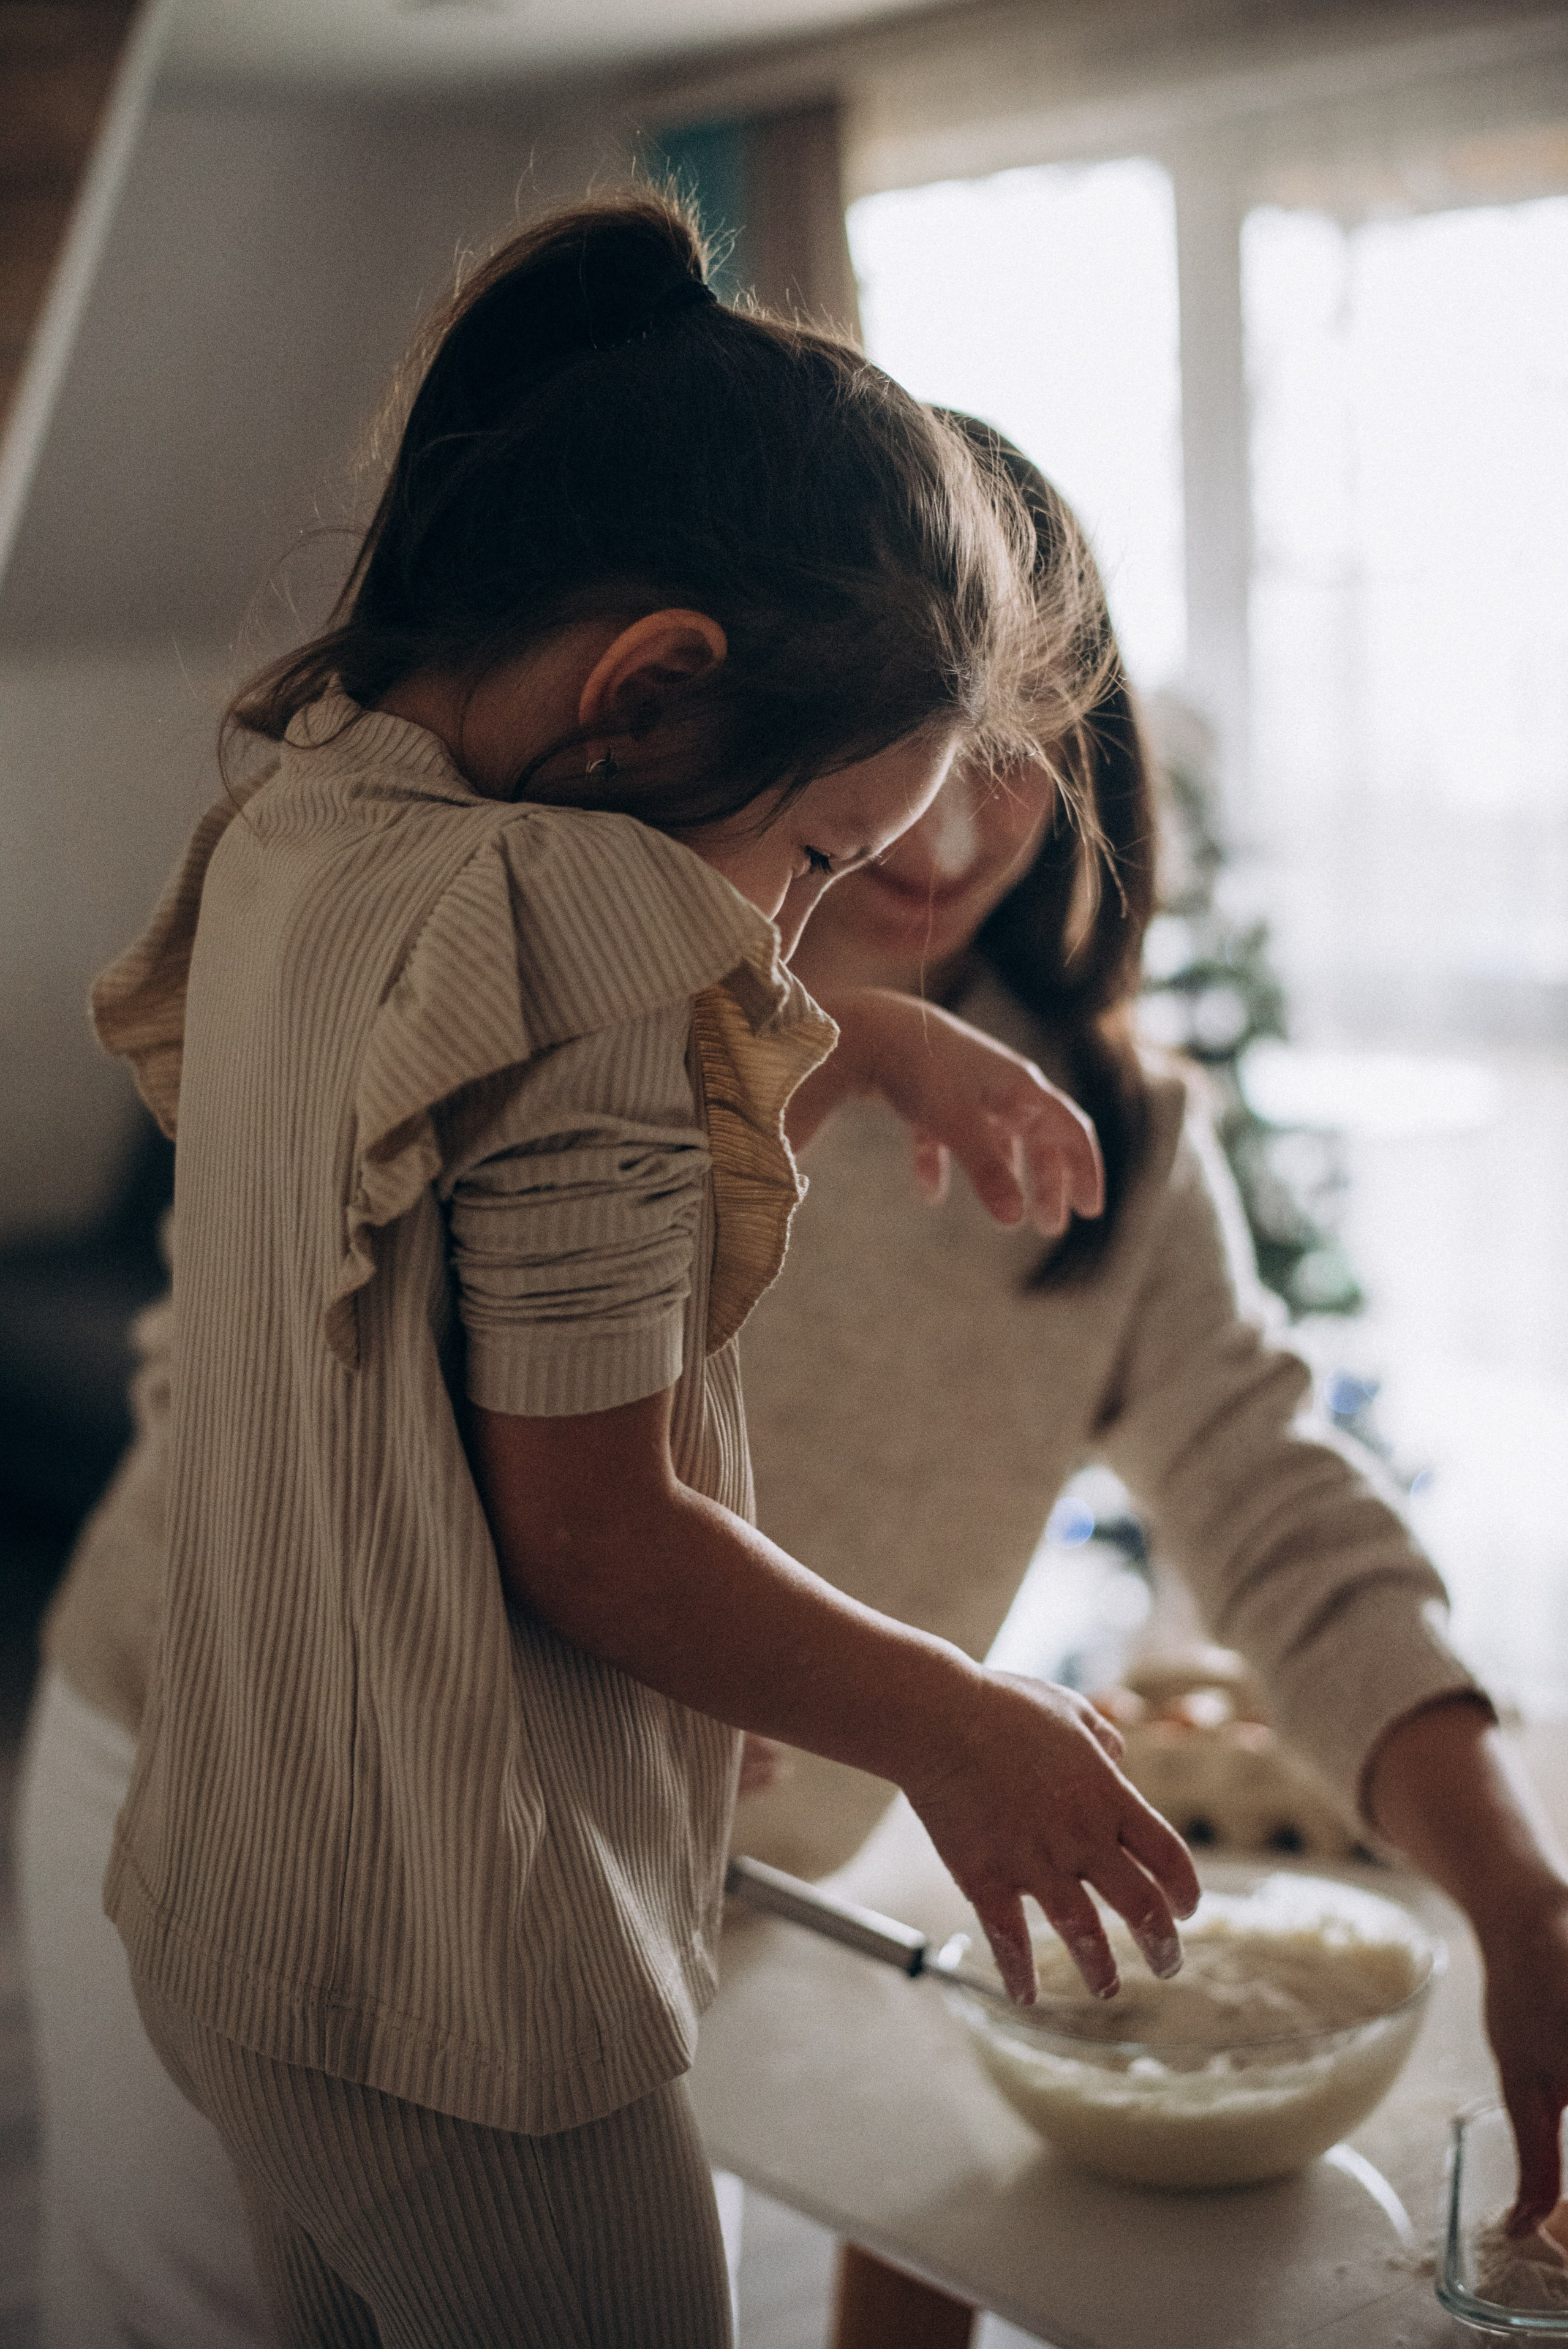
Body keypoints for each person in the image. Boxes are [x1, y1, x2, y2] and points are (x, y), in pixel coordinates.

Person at [40, 194, 1201, 2349]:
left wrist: (880, 1035)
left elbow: (441, 1147)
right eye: (811, 855)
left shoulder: (313, 817)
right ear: (648, 691)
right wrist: (962, 1722)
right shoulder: (597, 945)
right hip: (463, 1987)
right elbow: (591, 1530)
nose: (792, 925)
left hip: (236, 1902)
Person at [734, 421, 1568, 2245]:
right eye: (914, 744)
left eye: (1021, 756)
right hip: (291, 1791)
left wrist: (1522, 1895)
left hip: (736, 1878)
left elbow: (1286, 1517)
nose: (954, 829)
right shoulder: (612, 1018)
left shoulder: (1116, 1139)